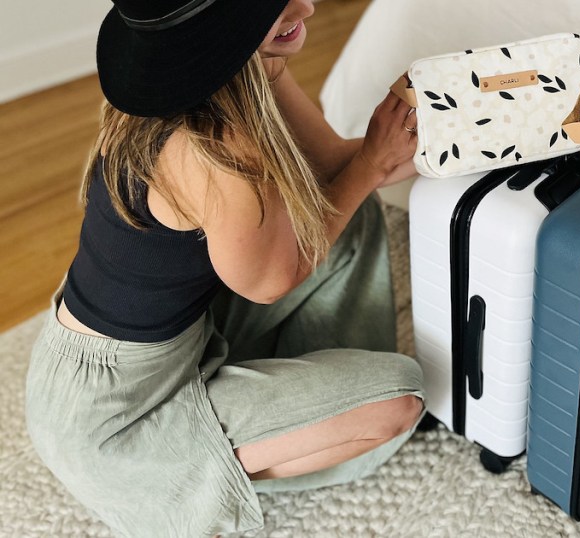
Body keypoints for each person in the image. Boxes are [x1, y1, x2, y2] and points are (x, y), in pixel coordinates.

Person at [23, 0, 424, 535]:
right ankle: (182, 477)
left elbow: (331, 166)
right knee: (400, 399)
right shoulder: (213, 148)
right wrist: (372, 164)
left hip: (131, 358)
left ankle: (294, 393)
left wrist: (426, 146)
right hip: (119, 419)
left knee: (354, 211)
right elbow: (273, 280)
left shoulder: (238, 70)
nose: (306, 5)